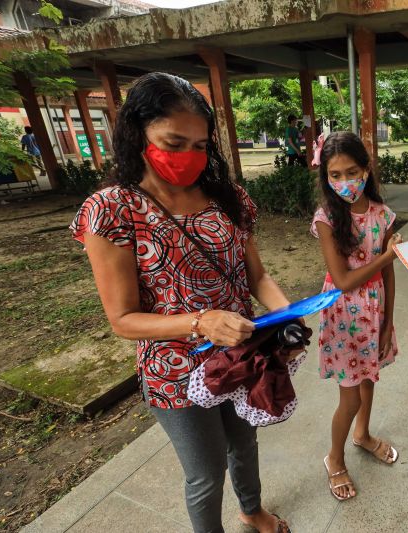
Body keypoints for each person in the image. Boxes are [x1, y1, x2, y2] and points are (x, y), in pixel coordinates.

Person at [70, 72, 293, 533]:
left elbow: (258, 276)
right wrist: (201, 322)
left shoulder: (228, 198)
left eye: (199, 145)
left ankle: (251, 511)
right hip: (174, 372)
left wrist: (286, 317)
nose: (188, 157)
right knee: (206, 473)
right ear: (137, 133)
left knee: (244, 443)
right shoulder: (113, 210)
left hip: (241, 355)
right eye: (174, 142)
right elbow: (123, 319)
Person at [310, 131, 403, 501]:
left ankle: (362, 435)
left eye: (352, 171)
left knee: (370, 379)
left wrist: (388, 321)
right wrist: (386, 257)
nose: (345, 182)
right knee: (348, 397)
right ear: (325, 177)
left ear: (366, 168)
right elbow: (345, 280)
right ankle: (334, 458)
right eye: (335, 175)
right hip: (343, 317)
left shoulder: (383, 215)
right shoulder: (326, 220)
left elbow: (389, 274)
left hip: (375, 312)